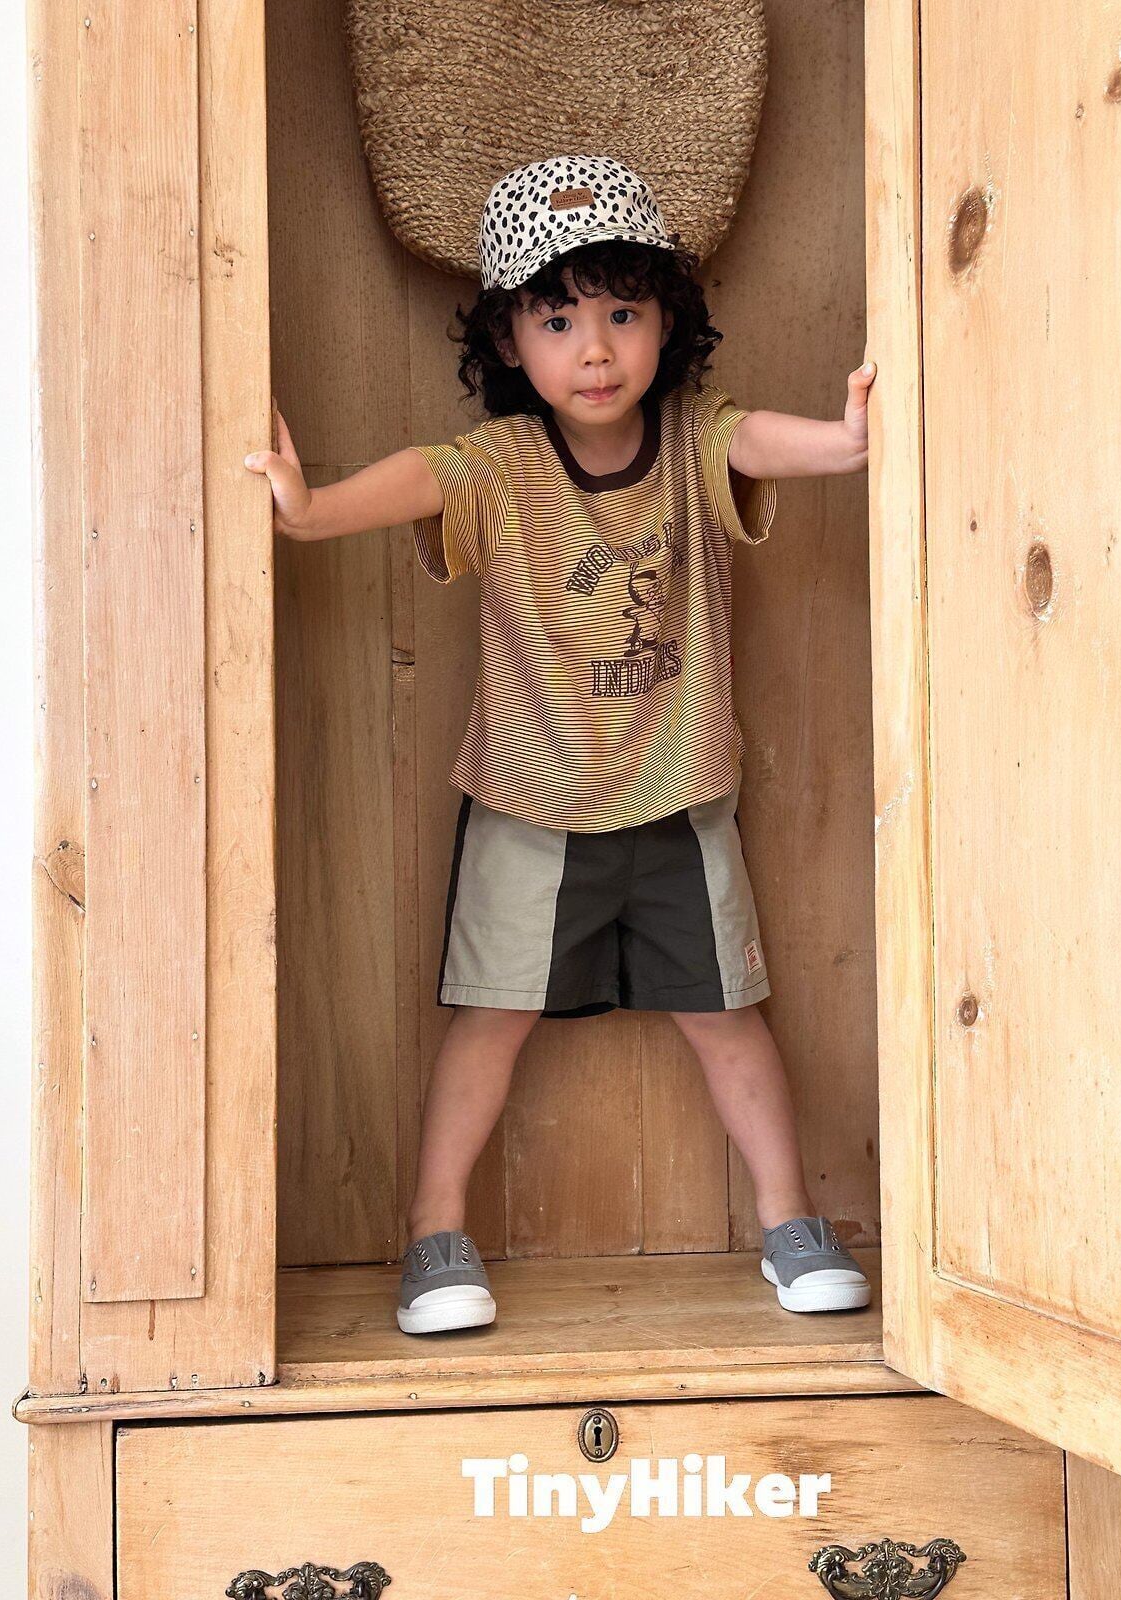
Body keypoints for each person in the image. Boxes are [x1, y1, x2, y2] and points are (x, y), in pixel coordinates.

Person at [245, 154, 878, 1335]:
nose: (594, 349)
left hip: (680, 798)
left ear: (667, 322)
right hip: (530, 808)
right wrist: (310, 508)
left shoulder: (693, 441)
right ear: (507, 340)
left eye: (622, 313)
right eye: (556, 319)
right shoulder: (501, 464)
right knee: (488, 1021)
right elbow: (418, 475)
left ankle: (789, 1221)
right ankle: (434, 1231)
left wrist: (847, 439)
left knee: (728, 1016)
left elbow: (763, 443)